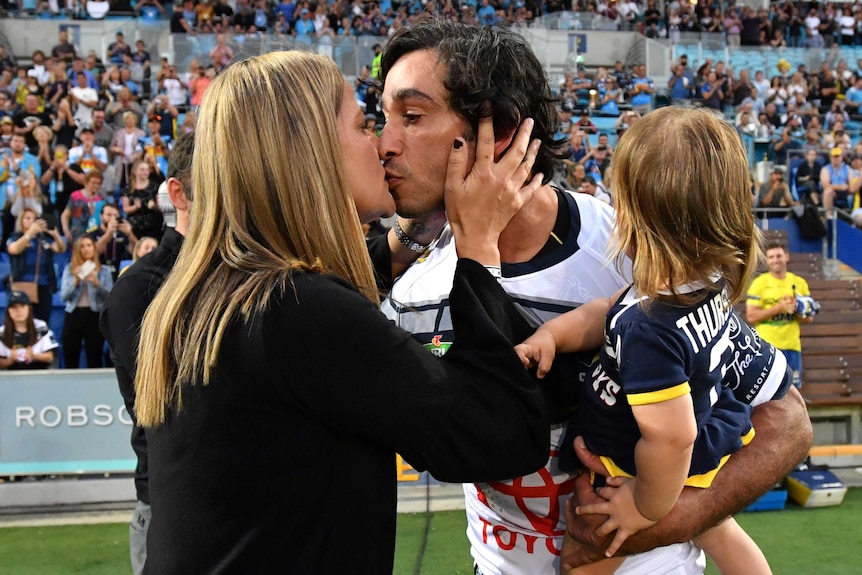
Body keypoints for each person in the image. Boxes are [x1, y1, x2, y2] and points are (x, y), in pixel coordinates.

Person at [376, 17, 811, 575]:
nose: (385, 143)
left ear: (500, 132)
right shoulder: (411, 296)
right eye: (382, 116)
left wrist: (668, 517)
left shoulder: (631, 245)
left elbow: (786, 420)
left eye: (411, 117)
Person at [133, 51, 549, 574]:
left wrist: (405, 237)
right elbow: (500, 435)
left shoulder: (213, 291)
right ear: (308, 153)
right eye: (361, 125)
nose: (381, 145)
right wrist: (478, 248)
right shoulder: (297, 311)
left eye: (407, 120)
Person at [514, 107, 786, 575]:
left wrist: (643, 507)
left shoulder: (650, 329)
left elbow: (671, 437)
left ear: (639, 217)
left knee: (583, 562)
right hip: (698, 439)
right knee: (718, 531)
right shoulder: (696, 281)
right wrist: (553, 336)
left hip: (645, 467)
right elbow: (605, 312)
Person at [101, 131, 194, 575]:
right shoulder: (140, 290)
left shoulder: (248, 270)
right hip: (175, 508)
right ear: (178, 192)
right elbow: (171, 407)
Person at [746, 243, 816, 389]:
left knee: (793, 391)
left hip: (792, 346)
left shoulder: (799, 283)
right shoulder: (760, 283)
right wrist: (780, 308)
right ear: (766, 260)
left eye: (779, 256)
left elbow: (809, 318)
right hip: (767, 348)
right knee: (768, 392)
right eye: (771, 257)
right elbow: (751, 316)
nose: (775, 260)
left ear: (787, 257)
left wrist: (796, 308)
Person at [60, 235, 113, 368]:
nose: (85, 249)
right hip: (73, 314)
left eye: (89, 245)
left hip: (94, 315)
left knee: (94, 356)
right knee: (70, 356)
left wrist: (96, 283)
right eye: (82, 246)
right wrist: (76, 281)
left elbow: (109, 297)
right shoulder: (69, 270)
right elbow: (64, 296)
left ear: (94, 248)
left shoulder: (104, 271)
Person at [6, 207, 66, 322]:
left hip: (44, 285)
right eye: (27, 218)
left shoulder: (42, 239)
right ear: (21, 220)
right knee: (23, 321)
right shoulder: (15, 237)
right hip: (22, 284)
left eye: (34, 219)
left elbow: (60, 249)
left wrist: (55, 235)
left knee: (42, 321)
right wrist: (29, 234)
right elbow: (14, 249)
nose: (31, 221)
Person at [0, 290, 58, 370]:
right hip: (13, 375)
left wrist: (34, 356)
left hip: (39, 373)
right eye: (14, 307)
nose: (18, 311)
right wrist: (10, 360)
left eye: (22, 306)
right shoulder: (2, 332)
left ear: (29, 308)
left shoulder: (41, 326)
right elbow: (1, 362)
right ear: (8, 311)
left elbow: (50, 356)